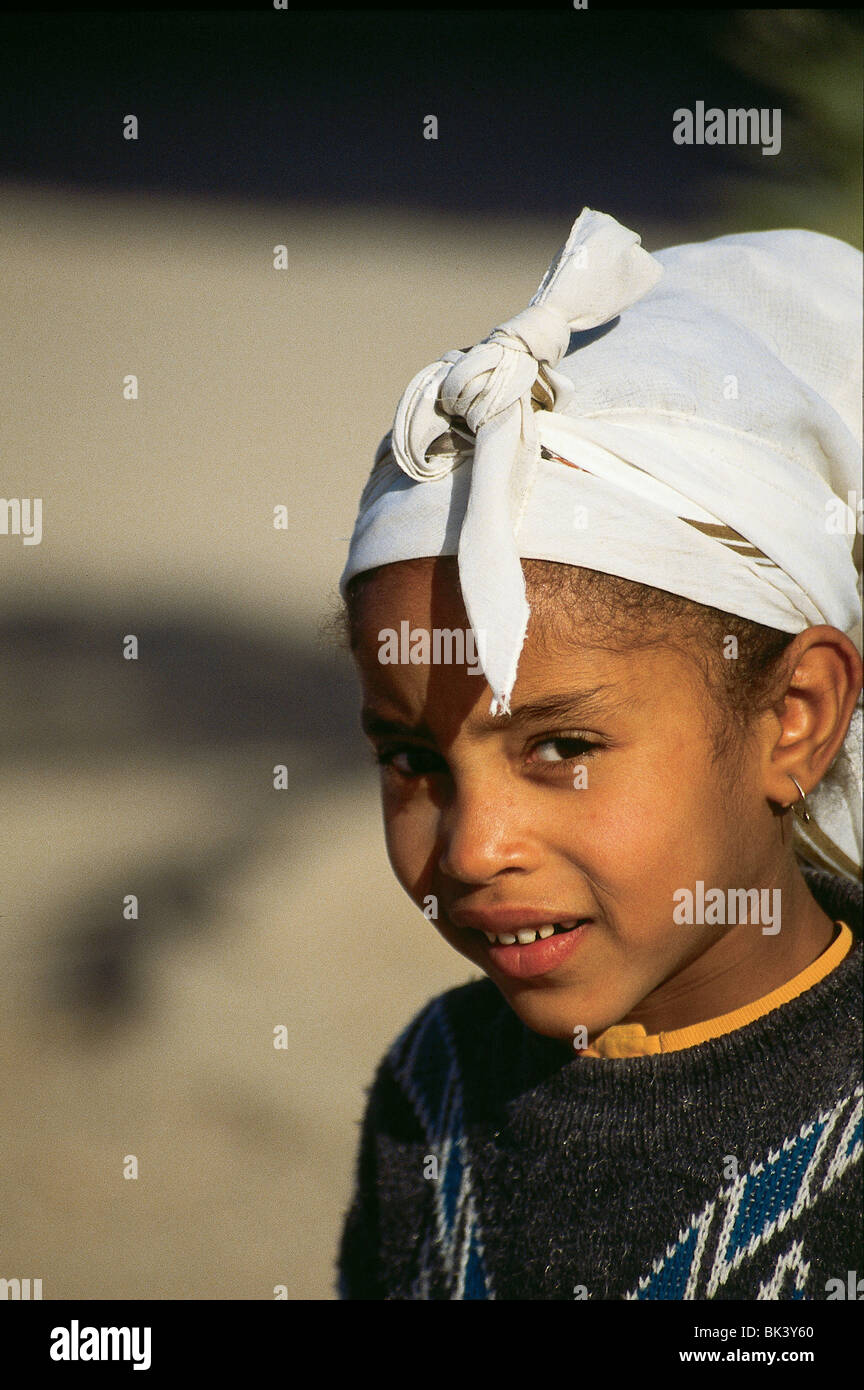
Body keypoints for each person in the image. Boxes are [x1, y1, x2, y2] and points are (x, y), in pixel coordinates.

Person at [333, 208, 862, 1300]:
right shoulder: (432, 1093)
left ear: (794, 716)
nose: (473, 849)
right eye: (414, 759)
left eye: (562, 746)